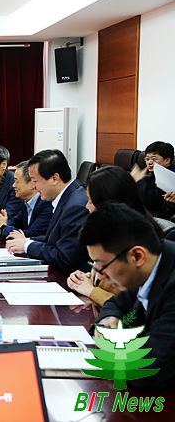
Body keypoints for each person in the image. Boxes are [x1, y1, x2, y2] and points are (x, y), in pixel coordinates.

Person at [83, 203, 175, 389]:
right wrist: (107, 321)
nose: (99, 276)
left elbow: (145, 369)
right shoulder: (148, 265)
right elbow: (116, 303)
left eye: (102, 265)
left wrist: (110, 346)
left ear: (137, 256)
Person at [67, 165, 171, 306]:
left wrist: (91, 291)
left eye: (91, 201)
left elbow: (132, 309)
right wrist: (87, 278)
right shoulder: (105, 233)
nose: (87, 206)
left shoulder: (134, 241)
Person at [5, 149, 90, 275]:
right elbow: (54, 239)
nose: (33, 187)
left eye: (35, 181)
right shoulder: (69, 196)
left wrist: (27, 245)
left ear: (54, 178)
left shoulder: (75, 207)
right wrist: (26, 240)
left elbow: (64, 256)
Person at [0, 161, 53, 239]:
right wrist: (3, 225)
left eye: (16, 181)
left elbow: (32, 234)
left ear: (32, 184)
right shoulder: (25, 202)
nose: (13, 185)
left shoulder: (46, 203)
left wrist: (3, 227)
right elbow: (14, 222)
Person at [131, 141, 175, 219]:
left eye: (154, 159)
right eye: (147, 159)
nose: (149, 162)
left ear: (167, 160)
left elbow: (150, 202)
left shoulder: (169, 177)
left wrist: (139, 180)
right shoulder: (152, 172)